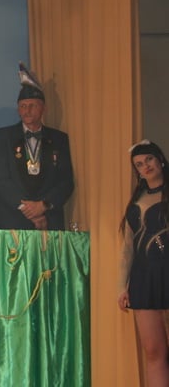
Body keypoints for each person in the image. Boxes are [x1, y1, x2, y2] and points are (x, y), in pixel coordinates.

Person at [0, 63, 74, 230]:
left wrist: (43, 206)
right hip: (13, 220)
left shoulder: (59, 139)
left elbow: (66, 182)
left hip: (49, 219)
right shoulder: (3, 137)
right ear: (18, 109)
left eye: (33, 105)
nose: (27, 110)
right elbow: (0, 181)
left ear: (44, 108)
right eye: (23, 106)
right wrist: (29, 211)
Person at [118, 140, 169, 387]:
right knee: (153, 352)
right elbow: (128, 249)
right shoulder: (135, 201)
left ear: (160, 159)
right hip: (142, 280)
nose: (145, 166)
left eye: (148, 159)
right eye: (139, 164)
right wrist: (122, 286)